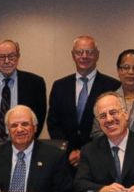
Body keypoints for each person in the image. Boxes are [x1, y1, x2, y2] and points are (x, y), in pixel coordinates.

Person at [47, 35, 120, 168]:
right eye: (79, 52)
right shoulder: (60, 85)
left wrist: (85, 152)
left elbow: (113, 125)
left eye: (90, 52)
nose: (84, 56)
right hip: (66, 158)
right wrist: (69, 151)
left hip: (100, 157)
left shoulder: (113, 86)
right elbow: (53, 124)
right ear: (73, 55)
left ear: (97, 55)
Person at [0, 39, 47, 168]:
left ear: (18, 57)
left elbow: (38, 118)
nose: (7, 61)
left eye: (11, 56)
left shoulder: (35, 83)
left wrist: (24, 141)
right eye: (1, 57)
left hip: (24, 147)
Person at [0, 105, 70, 192]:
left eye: (25, 124)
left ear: (35, 128)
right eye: (14, 125)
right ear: (8, 130)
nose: (19, 130)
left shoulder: (54, 157)